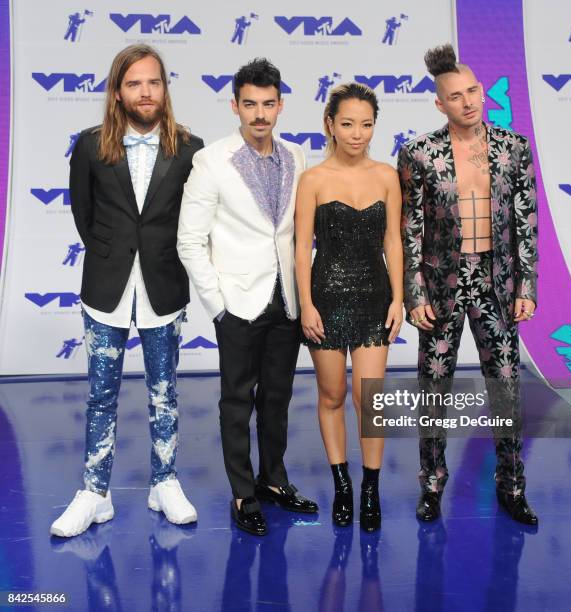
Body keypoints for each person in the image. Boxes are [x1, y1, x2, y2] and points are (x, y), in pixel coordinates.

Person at [50, 44, 203, 538]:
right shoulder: (91, 146)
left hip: (163, 286)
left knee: (165, 394)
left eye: (153, 82)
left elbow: (192, 222)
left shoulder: (190, 147)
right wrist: (113, 254)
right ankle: (94, 493)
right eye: (134, 83)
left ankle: (166, 483)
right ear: (118, 92)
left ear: (165, 88)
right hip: (106, 287)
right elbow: (84, 214)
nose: (145, 92)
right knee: (100, 396)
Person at [397, 44, 538, 525]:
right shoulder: (419, 153)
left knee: (506, 388)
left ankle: (512, 485)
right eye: (455, 96)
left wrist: (527, 286)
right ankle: (432, 486)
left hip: (497, 285)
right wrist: (414, 294)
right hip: (441, 286)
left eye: (473, 90)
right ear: (440, 103)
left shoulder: (513, 147)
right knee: (433, 387)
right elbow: (410, 228)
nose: (468, 101)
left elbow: (526, 222)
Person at [177, 58, 318, 536]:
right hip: (236, 302)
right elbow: (189, 241)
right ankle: (243, 493)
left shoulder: (298, 156)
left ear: (281, 105)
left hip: (288, 299)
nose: (260, 114)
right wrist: (217, 305)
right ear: (235, 105)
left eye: (269, 104)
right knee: (236, 400)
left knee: (277, 397)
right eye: (250, 104)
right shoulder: (210, 160)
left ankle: (273, 480)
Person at [295, 83, 403, 532]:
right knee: (332, 394)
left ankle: (370, 489)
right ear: (330, 125)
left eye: (366, 124)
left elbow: (393, 241)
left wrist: (399, 297)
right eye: (348, 124)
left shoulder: (387, 176)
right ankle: (341, 485)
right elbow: (302, 249)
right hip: (326, 296)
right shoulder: (313, 180)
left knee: (370, 399)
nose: (358, 134)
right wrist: (305, 304)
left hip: (375, 295)